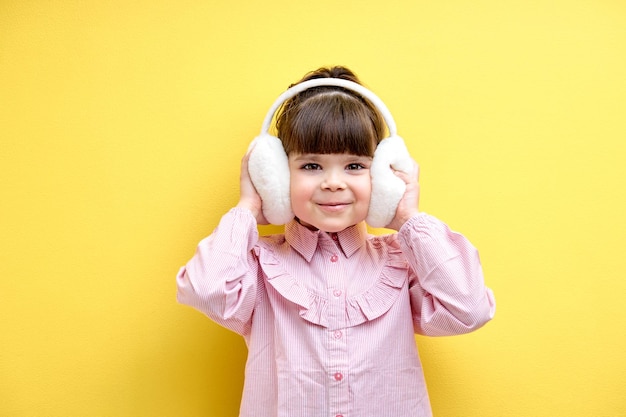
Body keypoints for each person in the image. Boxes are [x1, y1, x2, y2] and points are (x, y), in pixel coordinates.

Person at [176, 66, 496, 417]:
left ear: (381, 176)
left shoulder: (402, 263)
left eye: (355, 166)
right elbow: (206, 290)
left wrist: (407, 218)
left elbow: (469, 309)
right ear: (277, 178)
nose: (333, 183)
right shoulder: (256, 266)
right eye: (311, 166)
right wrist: (248, 208)